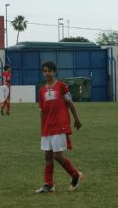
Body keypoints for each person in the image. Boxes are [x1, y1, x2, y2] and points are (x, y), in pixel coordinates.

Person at [35, 61, 83, 194]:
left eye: (49, 71)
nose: (47, 73)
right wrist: (43, 128)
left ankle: (75, 175)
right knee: (48, 156)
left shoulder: (61, 86)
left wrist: (76, 118)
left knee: (57, 155)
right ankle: (48, 184)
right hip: (47, 127)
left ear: (54, 71)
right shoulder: (42, 90)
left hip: (60, 125)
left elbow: (70, 102)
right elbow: (42, 111)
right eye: (44, 71)